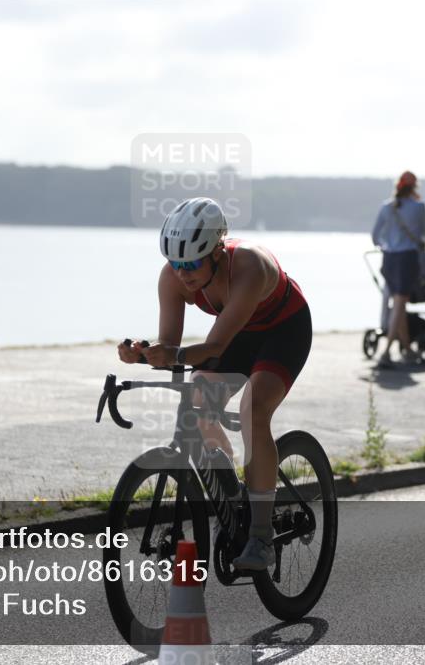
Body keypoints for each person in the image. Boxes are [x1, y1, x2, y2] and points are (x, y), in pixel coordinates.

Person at [117, 197, 312, 571]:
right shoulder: (173, 279)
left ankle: (260, 536)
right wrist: (141, 353)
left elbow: (215, 346)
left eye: (191, 263)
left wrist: (170, 355)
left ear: (218, 252)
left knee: (253, 410)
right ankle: (233, 493)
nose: (183, 273)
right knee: (195, 401)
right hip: (239, 333)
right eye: (176, 263)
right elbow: (171, 347)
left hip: (283, 331)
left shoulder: (249, 265)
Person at [370, 171, 425, 367]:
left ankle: (408, 349)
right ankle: (386, 352)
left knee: (397, 304)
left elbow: (375, 236)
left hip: (389, 259)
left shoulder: (386, 207)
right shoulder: (419, 207)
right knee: (400, 304)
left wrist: (386, 245)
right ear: (415, 187)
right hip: (407, 259)